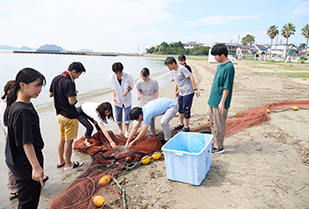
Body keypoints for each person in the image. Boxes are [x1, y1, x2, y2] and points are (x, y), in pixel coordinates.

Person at [4, 68, 46, 208]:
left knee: (28, 200)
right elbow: (26, 142)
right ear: (22, 85)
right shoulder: (21, 110)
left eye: (41, 85)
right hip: (25, 164)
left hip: (19, 161)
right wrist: (36, 167)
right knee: (28, 203)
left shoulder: (19, 105)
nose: (40, 89)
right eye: (37, 85)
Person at [49, 61, 86, 170]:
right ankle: (68, 164)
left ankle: (61, 161)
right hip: (70, 116)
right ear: (73, 71)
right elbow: (71, 101)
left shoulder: (56, 78)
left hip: (59, 115)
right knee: (69, 142)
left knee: (62, 139)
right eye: (78, 74)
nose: (78, 77)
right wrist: (74, 94)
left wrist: (63, 93)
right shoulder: (70, 83)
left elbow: (51, 94)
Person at [208, 43, 235, 154]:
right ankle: (215, 142)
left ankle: (219, 147)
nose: (214, 57)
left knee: (219, 125)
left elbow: (226, 87)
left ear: (222, 54)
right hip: (213, 99)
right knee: (213, 123)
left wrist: (222, 102)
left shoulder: (229, 67)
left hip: (220, 101)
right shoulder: (220, 65)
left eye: (216, 55)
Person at [164, 57, 200, 132]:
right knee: (179, 109)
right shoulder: (175, 70)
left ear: (173, 63)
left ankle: (186, 127)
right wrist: (178, 91)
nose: (168, 67)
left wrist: (195, 89)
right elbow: (180, 81)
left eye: (168, 65)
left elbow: (191, 77)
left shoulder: (182, 68)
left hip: (188, 92)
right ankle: (181, 124)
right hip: (181, 92)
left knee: (186, 109)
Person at [108, 62, 134, 138]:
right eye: (116, 73)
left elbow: (131, 86)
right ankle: (120, 130)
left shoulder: (128, 75)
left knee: (127, 115)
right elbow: (113, 89)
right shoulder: (111, 77)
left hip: (127, 99)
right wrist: (113, 97)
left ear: (122, 70)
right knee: (118, 116)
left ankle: (126, 130)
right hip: (117, 100)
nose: (118, 75)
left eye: (120, 73)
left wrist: (127, 90)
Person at [136, 67, 159, 137]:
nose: (143, 78)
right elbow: (138, 89)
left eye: (144, 76)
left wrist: (156, 99)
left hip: (151, 97)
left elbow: (156, 90)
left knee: (151, 116)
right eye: (142, 76)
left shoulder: (154, 81)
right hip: (143, 98)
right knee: (138, 113)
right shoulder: (139, 82)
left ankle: (153, 133)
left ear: (148, 75)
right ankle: (136, 130)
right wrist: (139, 95)